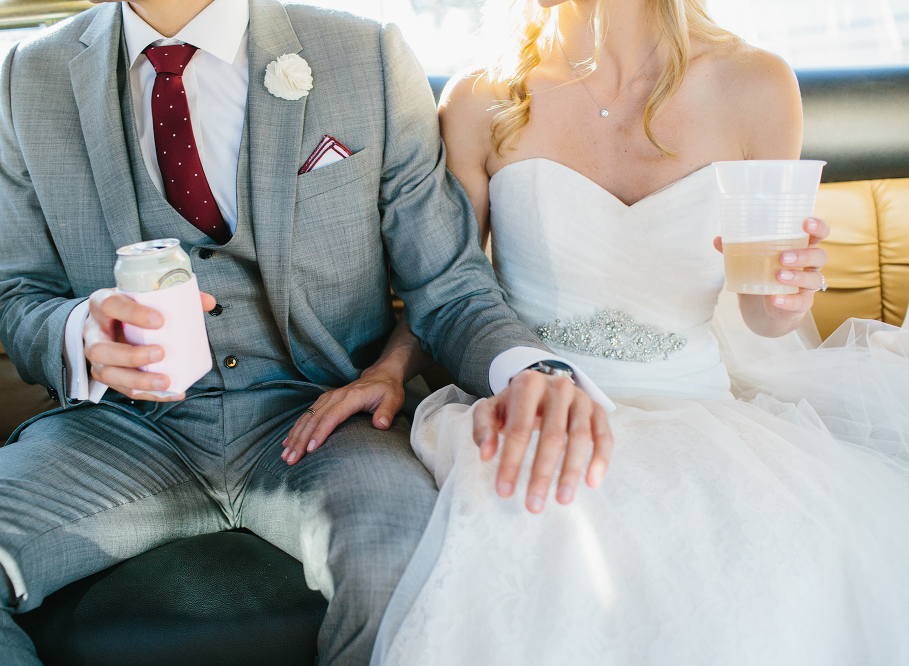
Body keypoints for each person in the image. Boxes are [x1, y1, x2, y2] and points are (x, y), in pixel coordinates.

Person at [0, 0, 620, 663]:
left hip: (323, 420)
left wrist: (533, 371)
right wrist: (77, 334)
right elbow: (22, 295)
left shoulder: (364, 55)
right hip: (121, 433)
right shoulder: (31, 75)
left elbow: (450, 286)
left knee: (409, 561)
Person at [287, 0, 909, 663]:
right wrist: (389, 368)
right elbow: (447, 285)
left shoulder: (757, 85)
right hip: (539, 411)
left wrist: (789, 293)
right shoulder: (482, 97)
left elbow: (764, 310)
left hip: (703, 414)